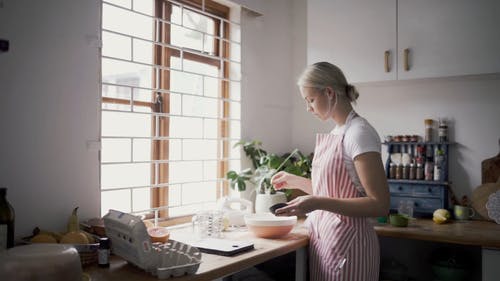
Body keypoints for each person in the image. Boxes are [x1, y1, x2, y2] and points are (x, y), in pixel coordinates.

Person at [271, 62, 390, 281]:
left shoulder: (359, 133)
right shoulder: (338, 131)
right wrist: (295, 181)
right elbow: (335, 191)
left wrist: (317, 202)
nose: (308, 108)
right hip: (329, 243)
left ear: (329, 92)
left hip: (352, 247)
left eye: (311, 100)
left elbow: (380, 204)